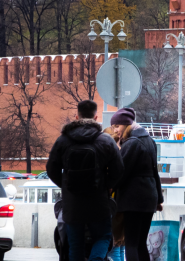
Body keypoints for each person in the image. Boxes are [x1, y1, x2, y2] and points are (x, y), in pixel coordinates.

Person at [47, 100, 124, 261]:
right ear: (96, 117)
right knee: (103, 237)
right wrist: (107, 186)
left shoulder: (63, 140)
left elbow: (51, 169)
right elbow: (118, 170)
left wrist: (66, 185)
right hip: (98, 202)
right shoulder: (106, 141)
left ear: (76, 116)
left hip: (73, 204)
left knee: (75, 245)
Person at [109, 108, 163, 261]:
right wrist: (159, 199)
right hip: (149, 199)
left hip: (133, 199)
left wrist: (110, 186)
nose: (115, 131)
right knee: (141, 243)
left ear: (126, 125)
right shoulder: (149, 140)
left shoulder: (132, 143)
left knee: (131, 243)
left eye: (117, 126)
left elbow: (121, 172)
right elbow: (155, 172)